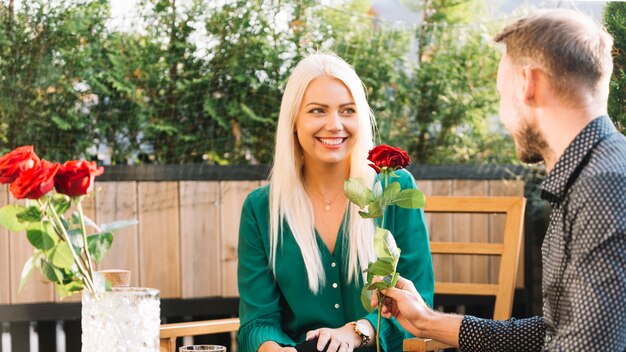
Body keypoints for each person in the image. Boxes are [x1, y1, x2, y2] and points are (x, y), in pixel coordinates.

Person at [373, 8, 626, 351]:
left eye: (500, 93)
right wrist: (427, 321)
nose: (502, 114)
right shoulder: (598, 172)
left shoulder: (603, 187)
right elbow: (559, 329)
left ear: (528, 83)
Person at [236, 53, 435, 352]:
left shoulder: (395, 188)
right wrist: (274, 349)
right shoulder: (260, 209)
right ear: (293, 120)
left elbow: (420, 302)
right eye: (317, 111)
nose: (334, 124)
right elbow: (257, 320)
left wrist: (357, 331)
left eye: (347, 110)